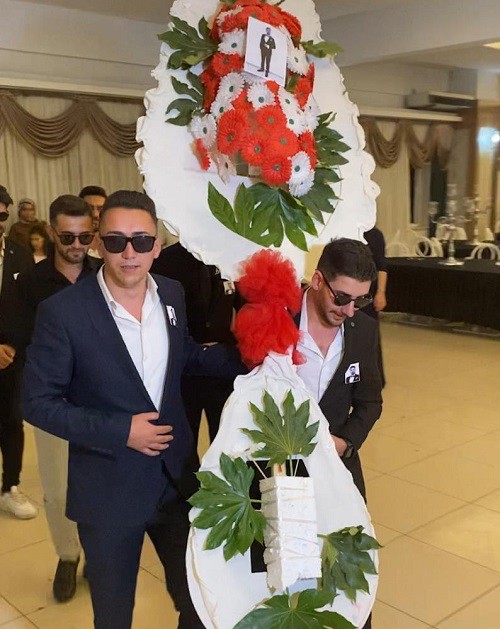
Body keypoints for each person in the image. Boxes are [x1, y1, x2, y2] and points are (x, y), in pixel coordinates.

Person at [23, 190, 244, 629]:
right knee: (114, 616)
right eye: (116, 240)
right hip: (108, 490)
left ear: (157, 245)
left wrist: (252, 357)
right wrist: (120, 430)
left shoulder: (172, 294)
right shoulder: (62, 313)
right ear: (98, 243)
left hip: (174, 480)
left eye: (141, 241)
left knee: (202, 600)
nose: (129, 253)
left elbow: (183, 354)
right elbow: (36, 402)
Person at [296, 238, 382, 629]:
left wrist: (343, 442)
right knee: (284, 577)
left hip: (338, 469)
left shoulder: (362, 330)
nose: (349, 311)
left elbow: (370, 402)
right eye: (342, 298)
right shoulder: (274, 318)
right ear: (318, 280)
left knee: (348, 579)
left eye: (361, 301)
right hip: (278, 471)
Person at [18, 195, 99, 602]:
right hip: (54, 402)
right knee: (58, 487)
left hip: (102, 399)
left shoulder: (104, 275)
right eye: (67, 237)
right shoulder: (30, 283)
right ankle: (67, 555)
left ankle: (96, 555)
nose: (77, 245)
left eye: (85, 236)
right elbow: (18, 339)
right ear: (51, 232)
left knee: (100, 482)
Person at [151, 243, 237, 449]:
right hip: (181, 373)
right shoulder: (165, 260)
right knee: (181, 448)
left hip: (227, 369)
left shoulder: (237, 256)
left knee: (229, 448)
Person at [0, 185, 37, 519]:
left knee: (12, 421)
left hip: (10, 358)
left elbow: (27, 309)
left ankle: (10, 486)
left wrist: (12, 346)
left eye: (1, 215)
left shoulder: (20, 254)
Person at [363, 226, 388, 387]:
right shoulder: (346, 229)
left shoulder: (375, 234)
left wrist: (381, 292)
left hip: (368, 293)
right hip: (347, 292)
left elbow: (382, 267)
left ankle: (373, 377)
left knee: (369, 334)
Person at [79, 186, 107, 258]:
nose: (95, 214)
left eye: (100, 209)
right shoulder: (72, 241)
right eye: (90, 208)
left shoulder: (113, 239)